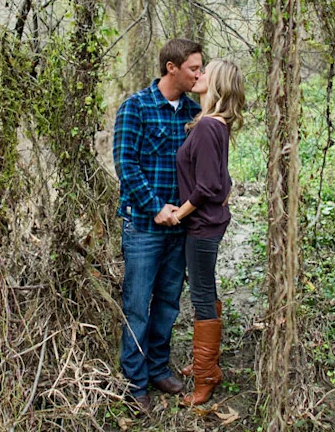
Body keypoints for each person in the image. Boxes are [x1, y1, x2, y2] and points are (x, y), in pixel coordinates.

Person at [113, 39, 204, 411]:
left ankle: (158, 368)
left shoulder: (194, 113)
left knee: (168, 302)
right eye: (194, 68)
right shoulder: (135, 108)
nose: (199, 74)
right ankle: (135, 383)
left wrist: (181, 213)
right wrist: (154, 208)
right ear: (171, 67)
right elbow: (125, 165)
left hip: (179, 226)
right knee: (137, 306)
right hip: (144, 228)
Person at [172, 59, 245, 406]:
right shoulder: (216, 125)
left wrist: (178, 214)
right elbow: (223, 182)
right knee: (206, 289)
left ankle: (206, 377)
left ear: (216, 84)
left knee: (200, 294)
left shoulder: (206, 128)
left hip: (200, 226)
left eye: (205, 72)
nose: (198, 76)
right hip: (210, 224)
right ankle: (207, 365)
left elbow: (206, 186)